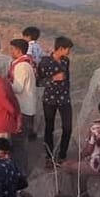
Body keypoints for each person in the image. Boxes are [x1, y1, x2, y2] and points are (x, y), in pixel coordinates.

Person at [38, 36, 74, 164]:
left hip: (64, 98)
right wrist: (53, 78)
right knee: (49, 127)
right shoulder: (45, 62)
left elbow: (67, 79)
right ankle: (49, 156)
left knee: (68, 127)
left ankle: (62, 155)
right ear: (60, 48)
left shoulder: (66, 61)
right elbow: (39, 82)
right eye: (68, 49)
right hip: (50, 99)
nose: (69, 52)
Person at [8, 39, 37, 171]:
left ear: (19, 51)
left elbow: (18, 88)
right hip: (27, 108)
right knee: (20, 142)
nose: (11, 52)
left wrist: (5, 84)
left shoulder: (21, 66)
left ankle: (20, 171)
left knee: (18, 143)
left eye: (13, 49)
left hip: (23, 109)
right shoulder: (26, 64)